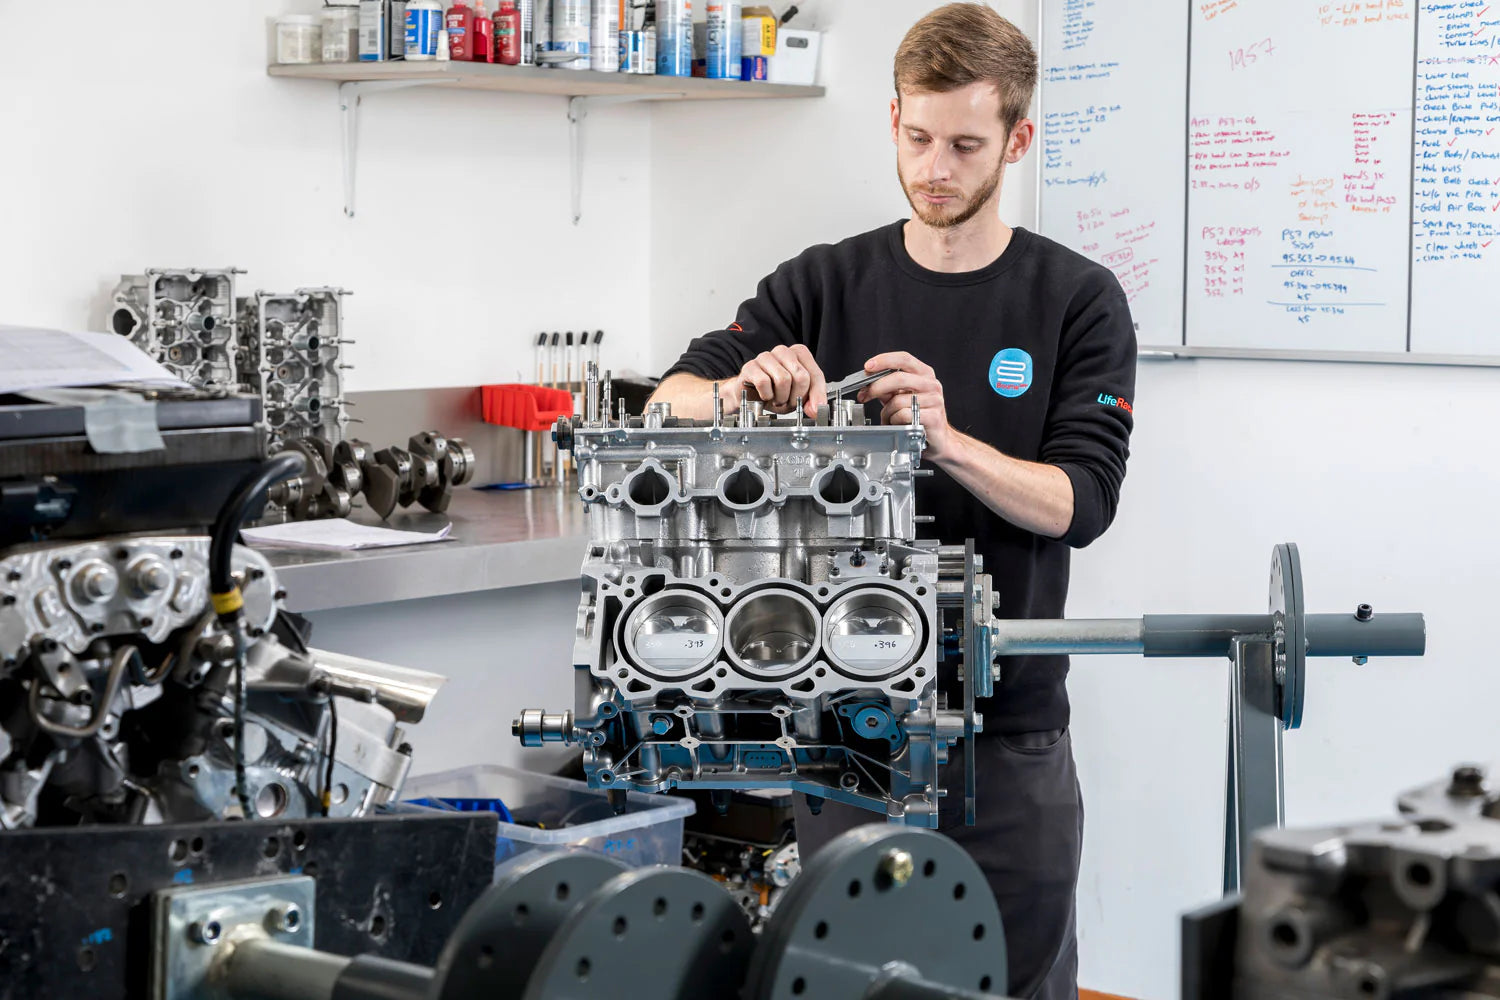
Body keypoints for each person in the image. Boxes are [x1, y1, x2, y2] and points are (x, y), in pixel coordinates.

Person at [648, 4, 1136, 997]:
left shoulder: (1076, 298)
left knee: (1016, 982)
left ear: (1018, 140)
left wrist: (946, 442)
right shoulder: (824, 283)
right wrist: (747, 389)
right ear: (893, 122)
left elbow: (1079, 501)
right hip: (852, 723)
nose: (936, 166)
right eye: (917, 138)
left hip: (1009, 731)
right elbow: (668, 398)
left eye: (965, 143)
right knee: (846, 982)